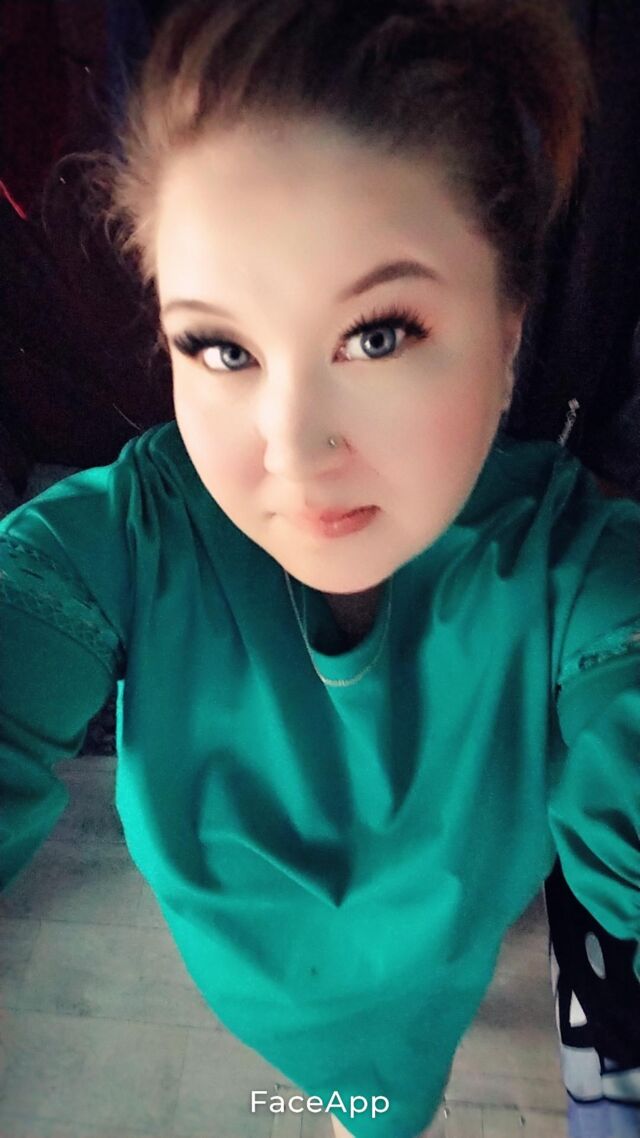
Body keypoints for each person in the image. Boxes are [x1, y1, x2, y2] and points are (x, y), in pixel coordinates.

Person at [0, 2, 638, 1136]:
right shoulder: (122, 542)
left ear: (507, 333)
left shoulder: (573, 577)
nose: (291, 451)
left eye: (377, 334)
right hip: (251, 997)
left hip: (428, 993)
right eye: (222, 346)